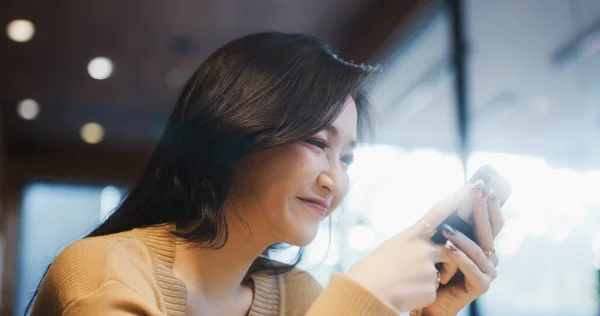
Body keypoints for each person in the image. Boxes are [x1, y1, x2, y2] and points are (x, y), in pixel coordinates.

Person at [28, 32, 503, 316]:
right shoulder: (102, 274)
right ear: (237, 130)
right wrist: (360, 299)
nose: (333, 181)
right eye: (318, 143)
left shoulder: (296, 295)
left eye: (347, 158)